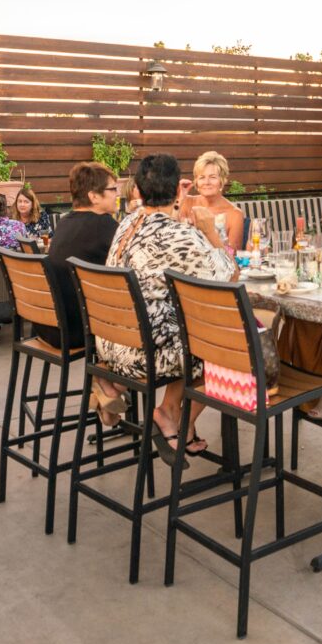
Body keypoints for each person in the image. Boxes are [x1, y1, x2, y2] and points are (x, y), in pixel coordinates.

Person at [101, 153, 236, 462]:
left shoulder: (127, 223)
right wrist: (210, 230)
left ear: (136, 192)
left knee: (186, 326)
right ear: (178, 191)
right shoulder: (182, 236)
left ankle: (126, 390)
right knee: (227, 347)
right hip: (143, 354)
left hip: (111, 342)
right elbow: (229, 274)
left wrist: (179, 205)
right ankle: (172, 414)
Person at [43, 162, 120, 358]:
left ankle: (104, 379)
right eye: (112, 189)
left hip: (49, 326)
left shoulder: (64, 222)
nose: (117, 194)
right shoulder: (106, 226)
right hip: (80, 331)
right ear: (94, 196)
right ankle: (111, 379)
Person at [176, 150, 245, 251]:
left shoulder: (235, 214)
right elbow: (170, 234)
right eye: (202, 177)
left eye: (212, 177)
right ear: (196, 182)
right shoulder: (185, 202)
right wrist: (179, 199)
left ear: (222, 181)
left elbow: (232, 255)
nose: (206, 182)